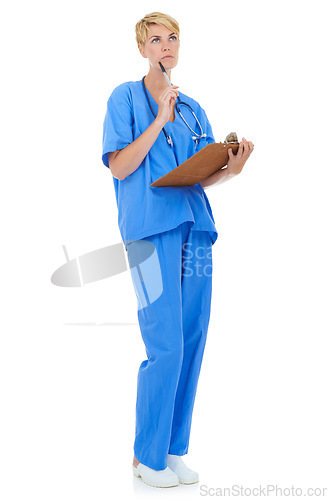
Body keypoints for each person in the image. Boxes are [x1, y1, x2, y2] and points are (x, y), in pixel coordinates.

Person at [102, 12, 254, 488]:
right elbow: (121, 166)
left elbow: (201, 172)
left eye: (173, 38)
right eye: (156, 39)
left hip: (195, 230)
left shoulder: (193, 109)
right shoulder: (125, 98)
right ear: (142, 48)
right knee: (163, 342)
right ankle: (145, 456)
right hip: (148, 233)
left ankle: (171, 449)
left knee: (191, 339)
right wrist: (159, 119)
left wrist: (231, 168)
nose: (166, 46)